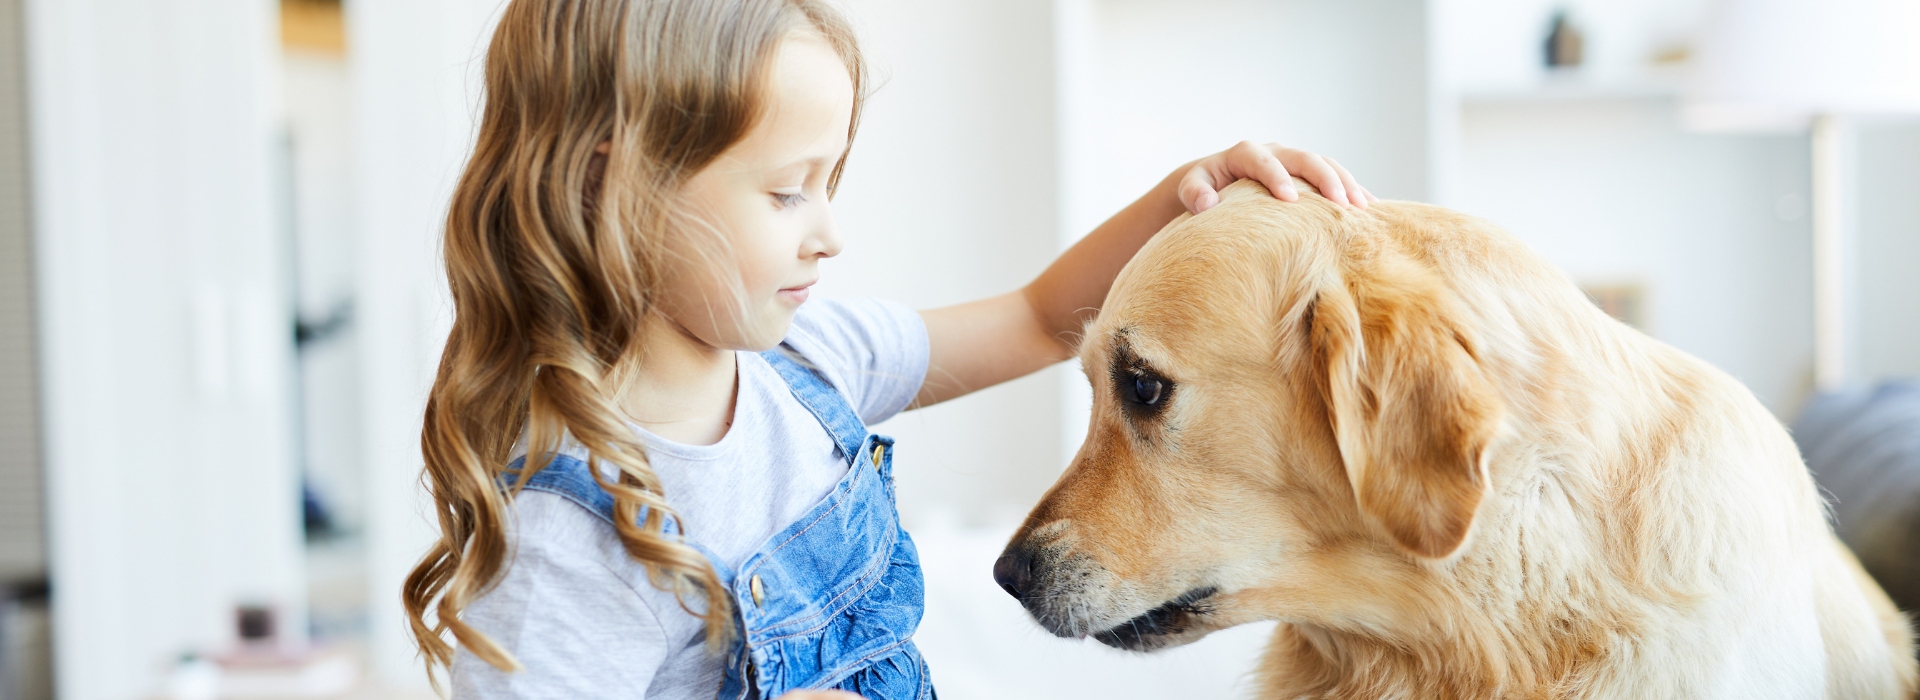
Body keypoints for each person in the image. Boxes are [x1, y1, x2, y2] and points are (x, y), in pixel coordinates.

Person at [402, 0, 1375, 697]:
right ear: (616, 186)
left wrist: (1183, 197)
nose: (829, 233)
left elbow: (1042, 317)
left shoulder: (813, 366)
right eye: (789, 191)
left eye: (832, 184)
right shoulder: (568, 536)